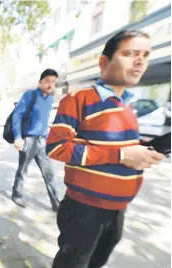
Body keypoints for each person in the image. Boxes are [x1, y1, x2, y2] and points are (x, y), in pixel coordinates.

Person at [46, 30, 166, 268]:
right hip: (84, 210)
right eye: (130, 53)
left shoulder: (127, 106)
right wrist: (120, 155)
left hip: (118, 210)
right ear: (104, 62)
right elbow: (56, 147)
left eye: (145, 54)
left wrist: (143, 152)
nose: (140, 61)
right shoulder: (79, 99)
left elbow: (120, 149)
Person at [11, 69, 60, 211]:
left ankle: (56, 202)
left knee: (48, 172)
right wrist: (18, 137)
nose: (50, 84)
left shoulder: (50, 99)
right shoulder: (30, 95)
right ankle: (16, 194)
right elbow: (17, 115)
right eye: (47, 81)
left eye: (53, 82)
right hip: (28, 140)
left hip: (42, 142)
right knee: (23, 170)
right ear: (40, 82)